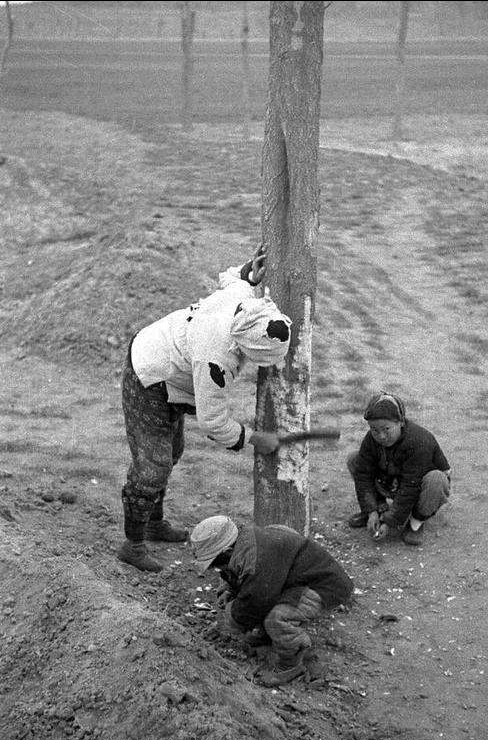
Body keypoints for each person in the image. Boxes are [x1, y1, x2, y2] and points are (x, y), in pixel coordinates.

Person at [117, 249, 292, 572]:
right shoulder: (216, 359)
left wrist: (249, 272)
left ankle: (154, 524)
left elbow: (233, 278)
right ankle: (133, 545)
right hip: (150, 373)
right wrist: (253, 438)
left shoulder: (244, 303)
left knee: (171, 451)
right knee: (152, 465)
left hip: (172, 370)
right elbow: (213, 422)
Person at [190, 515, 354, 687]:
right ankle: (268, 636)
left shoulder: (257, 558)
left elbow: (255, 602)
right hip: (292, 578)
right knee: (261, 600)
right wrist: (229, 589)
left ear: (226, 551)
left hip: (323, 584)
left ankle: (289, 666)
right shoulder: (242, 542)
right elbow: (239, 574)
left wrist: (230, 620)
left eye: (215, 562)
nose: (215, 568)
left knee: (276, 619)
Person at [347, 391, 451, 546]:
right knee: (355, 459)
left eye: (386, 429)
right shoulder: (371, 439)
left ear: (401, 422)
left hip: (420, 488)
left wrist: (390, 522)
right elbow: (363, 475)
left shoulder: (419, 441)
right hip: (394, 480)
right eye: (374, 430)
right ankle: (378, 510)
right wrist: (371, 511)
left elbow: (411, 486)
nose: (381, 436)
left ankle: (416, 523)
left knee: (436, 479)